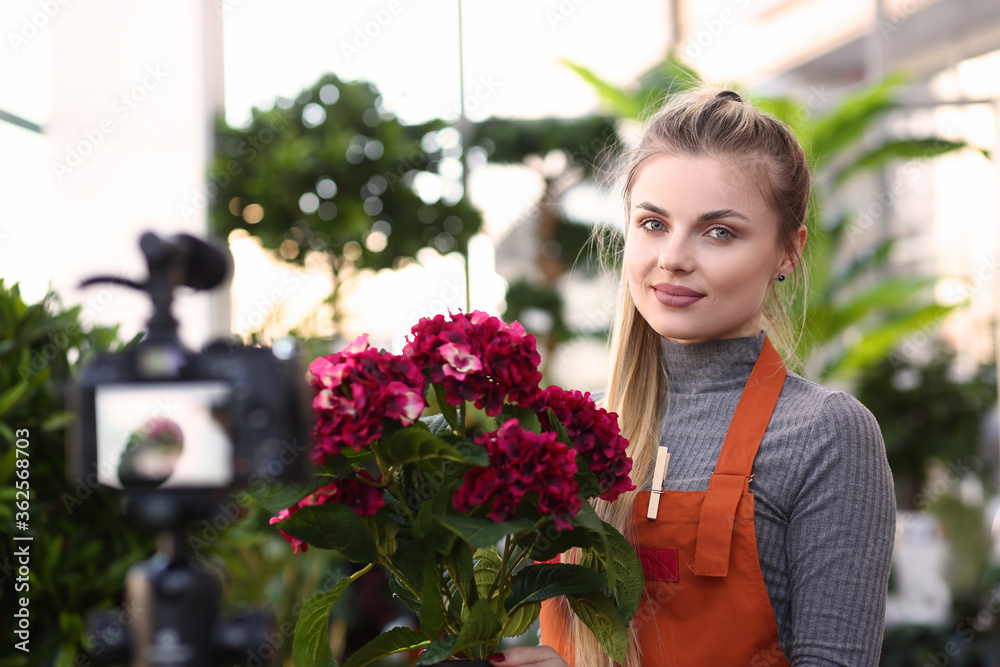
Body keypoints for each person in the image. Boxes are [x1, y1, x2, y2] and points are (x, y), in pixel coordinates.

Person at [486, 87, 896, 666]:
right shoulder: (570, 435)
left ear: (788, 252)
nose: (673, 257)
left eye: (719, 231)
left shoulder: (826, 435)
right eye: (653, 224)